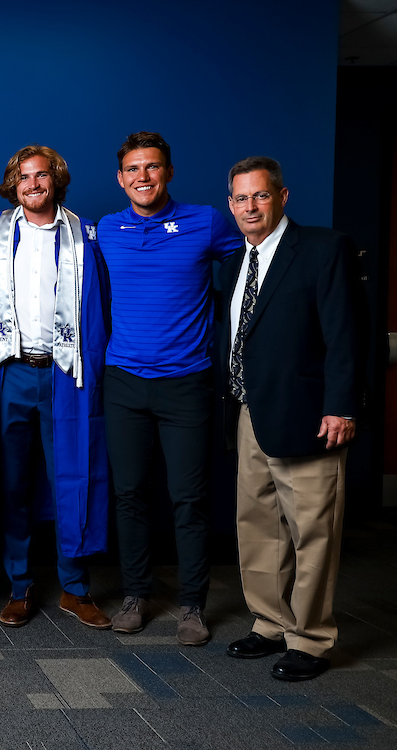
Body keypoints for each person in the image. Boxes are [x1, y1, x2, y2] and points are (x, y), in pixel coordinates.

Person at [218, 157, 359, 681]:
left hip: (308, 415)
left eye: (259, 196)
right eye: (239, 198)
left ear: (282, 197)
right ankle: (269, 622)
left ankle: (311, 638)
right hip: (250, 412)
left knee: (312, 531)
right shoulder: (236, 261)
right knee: (257, 526)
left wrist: (342, 405)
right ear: (230, 204)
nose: (249, 207)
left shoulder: (323, 249)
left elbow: (347, 334)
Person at [97, 132, 240, 646]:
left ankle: (193, 606)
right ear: (121, 177)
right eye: (133, 168)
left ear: (168, 172)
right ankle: (136, 594)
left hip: (186, 382)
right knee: (130, 494)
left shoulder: (206, 221)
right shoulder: (107, 231)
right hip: (124, 382)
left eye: (152, 167)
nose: (143, 177)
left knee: (189, 498)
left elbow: (254, 268)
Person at [0, 146, 112, 630]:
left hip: (65, 372)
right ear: (13, 183)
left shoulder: (85, 235)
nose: (33, 184)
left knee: (73, 475)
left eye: (42, 176)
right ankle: (20, 585)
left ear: (56, 181)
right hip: (10, 371)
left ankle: (75, 587)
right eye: (23, 176)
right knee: (13, 483)